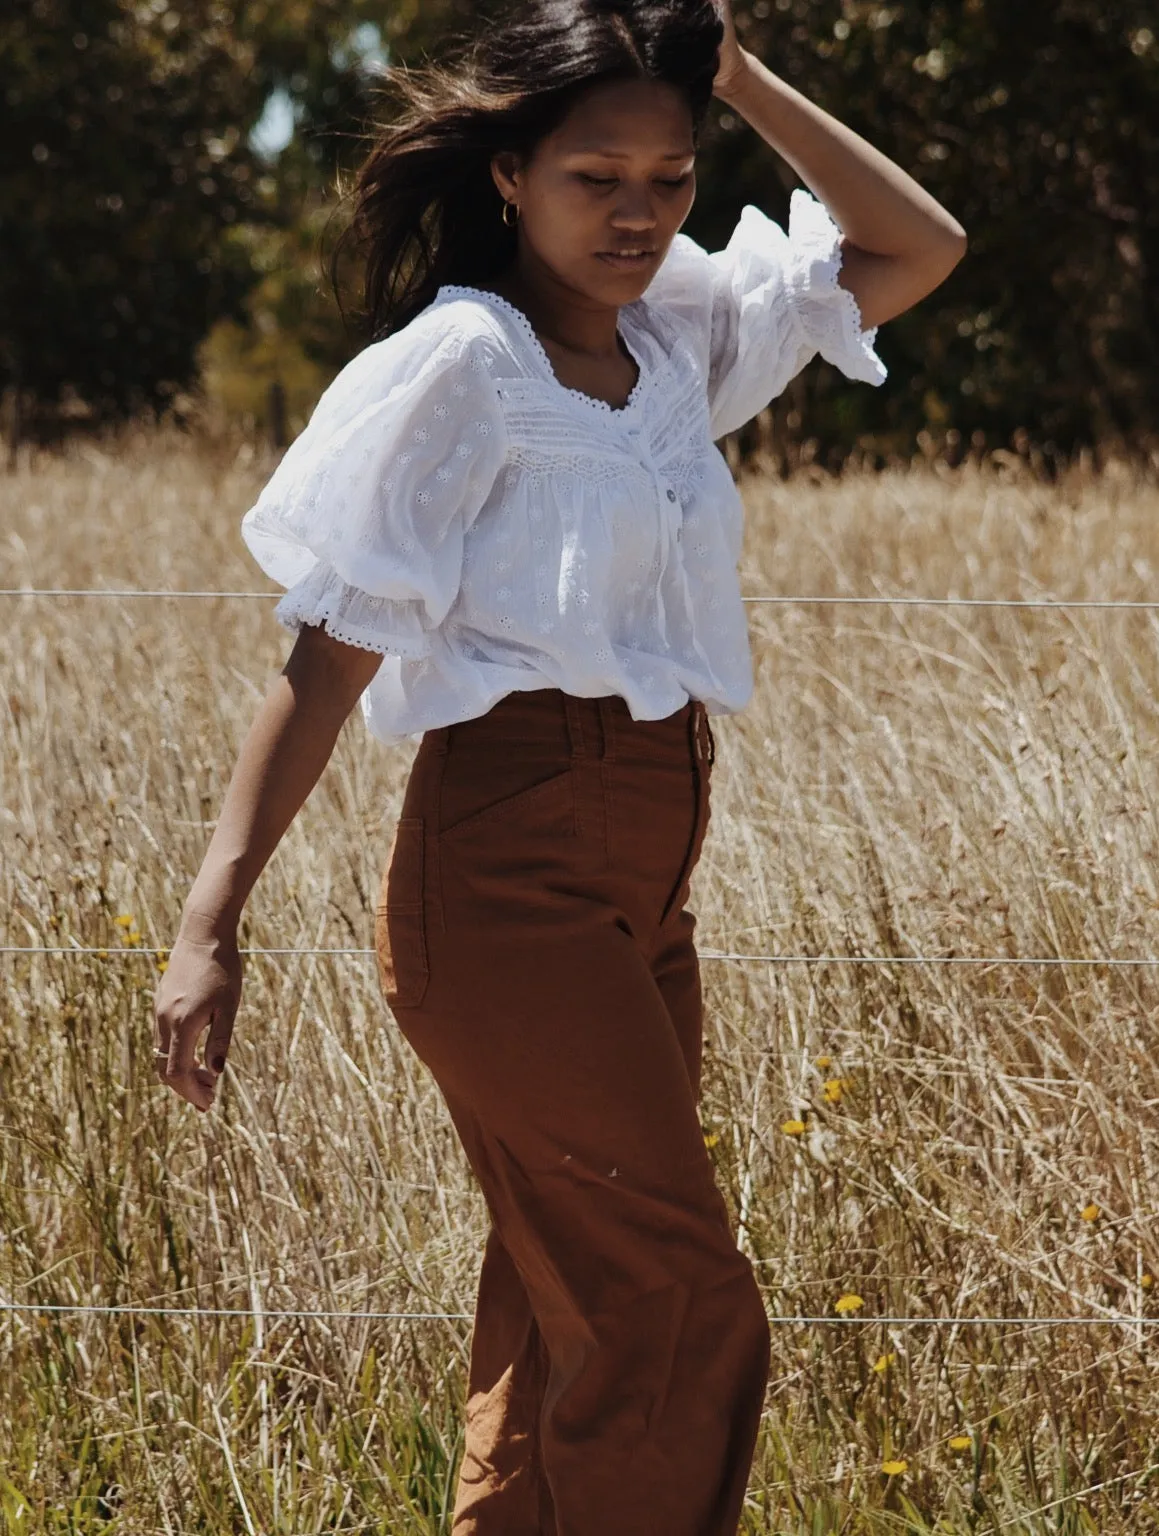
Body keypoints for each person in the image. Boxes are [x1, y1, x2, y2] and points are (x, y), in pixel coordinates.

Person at [153, 1, 966, 1530]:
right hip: (506, 857)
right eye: (600, 178)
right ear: (511, 174)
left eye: (672, 176)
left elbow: (912, 247)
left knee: (561, 1290)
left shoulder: (676, 347)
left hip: (649, 857)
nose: (642, 214)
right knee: (674, 1293)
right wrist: (211, 922)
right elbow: (329, 654)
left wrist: (728, 72)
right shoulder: (463, 363)